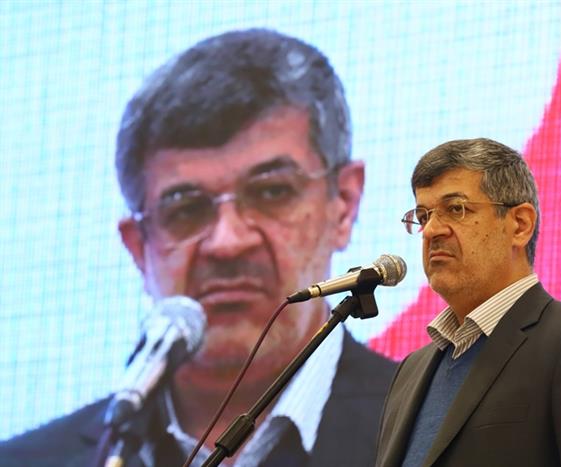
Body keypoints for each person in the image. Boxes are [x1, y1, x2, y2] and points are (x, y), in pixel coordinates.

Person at [0, 29, 396, 467]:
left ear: (343, 205)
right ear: (138, 248)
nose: (227, 242)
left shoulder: (437, 435)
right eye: (186, 209)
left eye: (271, 192)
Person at [375, 138, 561, 466]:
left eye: (456, 209)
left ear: (520, 225)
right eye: (423, 216)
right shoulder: (410, 370)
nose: (431, 231)